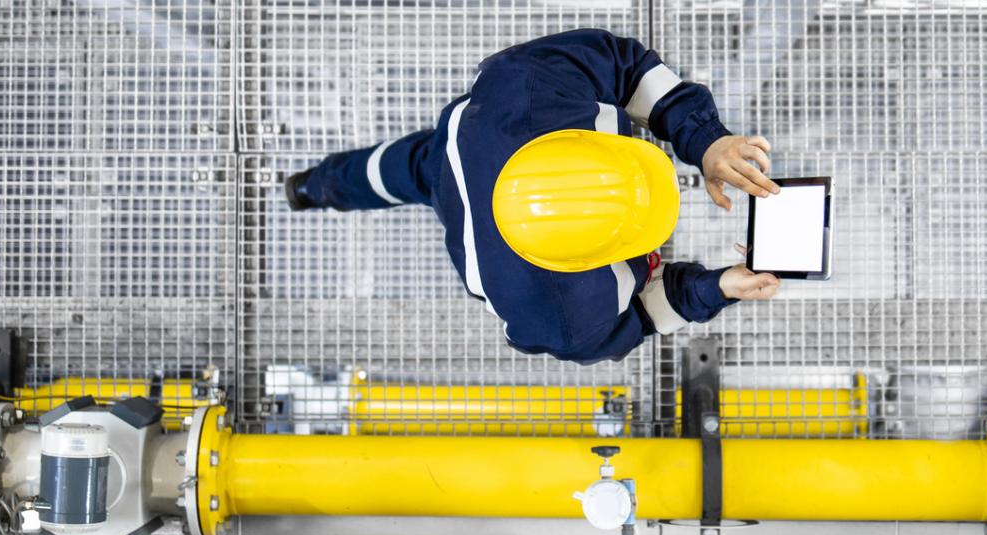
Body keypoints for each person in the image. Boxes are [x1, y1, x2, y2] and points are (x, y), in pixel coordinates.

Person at [285, 28, 783, 364]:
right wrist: (717, 288)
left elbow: (626, 67)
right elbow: (644, 318)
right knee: (407, 169)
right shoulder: (559, 316)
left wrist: (708, 140)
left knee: (395, 169)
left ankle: (312, 187)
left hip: (464, 148)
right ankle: (311, 187)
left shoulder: (529, 87)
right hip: (461, 171)